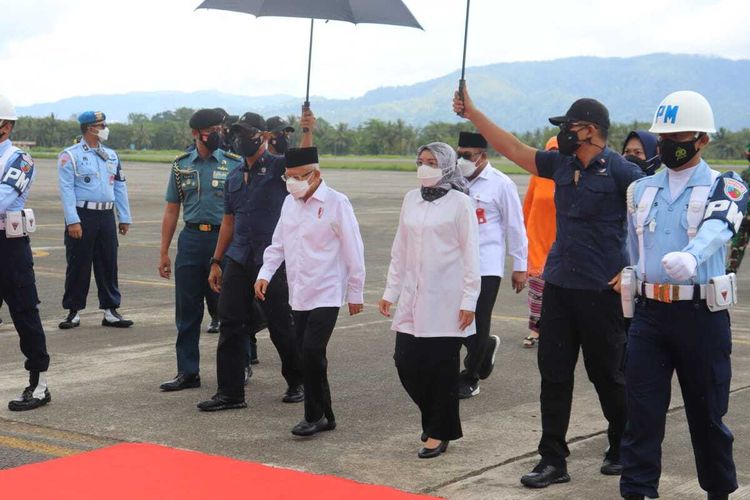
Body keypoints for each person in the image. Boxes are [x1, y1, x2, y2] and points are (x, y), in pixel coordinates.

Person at [453, 86, 644, 487]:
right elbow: (513, 147)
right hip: (558, 287)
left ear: (590, 130)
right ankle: (553, 460)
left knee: (607, 376)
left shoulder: (624, 173)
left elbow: (656, 222)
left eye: (569, 128)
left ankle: (623, 445)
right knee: (554, 377)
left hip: (600, 294)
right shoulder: (559, 164)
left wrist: (635, 268)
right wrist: (474, 114)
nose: (564, 135)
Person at [619, 91, 748, 500]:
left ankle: (718, 491)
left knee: (707, 414)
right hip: (650, 315)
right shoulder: (640, 190)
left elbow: (719, 228)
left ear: (702, 140)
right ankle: (638, 492)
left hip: (700, 316)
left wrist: (692, 257)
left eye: (680, 136)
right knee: (640, 415)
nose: (670, 144)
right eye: (665, 136)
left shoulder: (726, 185)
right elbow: (634, 248)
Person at [197, 110, 315, 411]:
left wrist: (306, 130)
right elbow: (228, 221)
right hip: (237, 257)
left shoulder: (278, 168)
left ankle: (298, 380)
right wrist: (216, 260)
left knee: (280, 324)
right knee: (230, 322)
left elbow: (305, 166)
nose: (240, 139)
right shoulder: (234, 175)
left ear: (263, 136)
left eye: (247, 133)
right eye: (236, 133)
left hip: (271, 259)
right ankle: (230, 393)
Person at [254, 146, 365, 437]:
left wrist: (355, 292)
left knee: (312, 351)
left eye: (298, 177)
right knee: (308, 355)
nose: (292, 183)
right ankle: (326, 415)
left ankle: (313, 416)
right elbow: (277, 243)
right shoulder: (289, 203)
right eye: (287, 177)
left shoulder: (337, 202)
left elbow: (354, 249)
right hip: (299, 291)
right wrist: (265, 273)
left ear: (316, 175)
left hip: (327, 290)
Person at [379, 142, 480, 458]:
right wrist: (390, 292)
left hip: (447, 300)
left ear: (447, 166)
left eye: (432, 162)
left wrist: (469, 300)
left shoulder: (460, 203)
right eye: (420, 161)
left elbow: (471, 255)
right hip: (413, 296)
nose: (424, 167)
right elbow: (400, 250)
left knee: (440, 369)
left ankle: (438, 431)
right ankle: (439, 420)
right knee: (406, 362)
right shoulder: (411, 199)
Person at [158, 108, 243, 392]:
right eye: (212, 129)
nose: (219, 133)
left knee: (230, 309)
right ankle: (187, 371)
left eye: (221, 128)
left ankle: (238, 366)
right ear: (196, 133)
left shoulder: (235, 164)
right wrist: (163, 252)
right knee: (187, 311)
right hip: (192, 241)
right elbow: (172, 210)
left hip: (226, 241)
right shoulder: (181, 166)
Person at [455, 132, 527, 398]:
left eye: (467, 155)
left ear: (482, 156)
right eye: (458, 154)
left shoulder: (500, 184)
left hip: (487, 263)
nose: (461, 160)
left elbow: (515, 226)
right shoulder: (454, 181)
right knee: (453, 317)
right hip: (457, 263)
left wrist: (520, 266)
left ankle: (471, 375)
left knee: (478, 317)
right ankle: (484, 347)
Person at [57, 111, 133, 329]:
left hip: (106, 215)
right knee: (78, 264)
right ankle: (73, 311)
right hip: (83, 215)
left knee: (108, 262)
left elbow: (119, 186)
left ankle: (110, 310)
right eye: (101, 125)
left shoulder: (111, 155)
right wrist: (72, 220)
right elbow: (66, 189)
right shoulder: (70, 155)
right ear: (89, 128)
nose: (105, 128)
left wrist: (124, 217)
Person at [0, 94, 51, 411]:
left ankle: (39, 383)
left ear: (4, 126)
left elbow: (3, 197)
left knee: (24, 313)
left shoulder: (20, 159)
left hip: (9, 246)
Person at [522, 136, 558, 348]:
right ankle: (534, 330)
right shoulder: (537, 177)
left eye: (557, 152)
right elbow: (527, 207)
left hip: (561, 243)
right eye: (549, 151)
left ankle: (554, 330)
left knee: (557, 294)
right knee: (537, 290)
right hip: (537, 242)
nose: (552, 156)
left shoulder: (571, 176)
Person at [726, 142, 750, 274]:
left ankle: (729, 274)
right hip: (745, 217)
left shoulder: (745, 174)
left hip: (744, 217)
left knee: (737, 248)